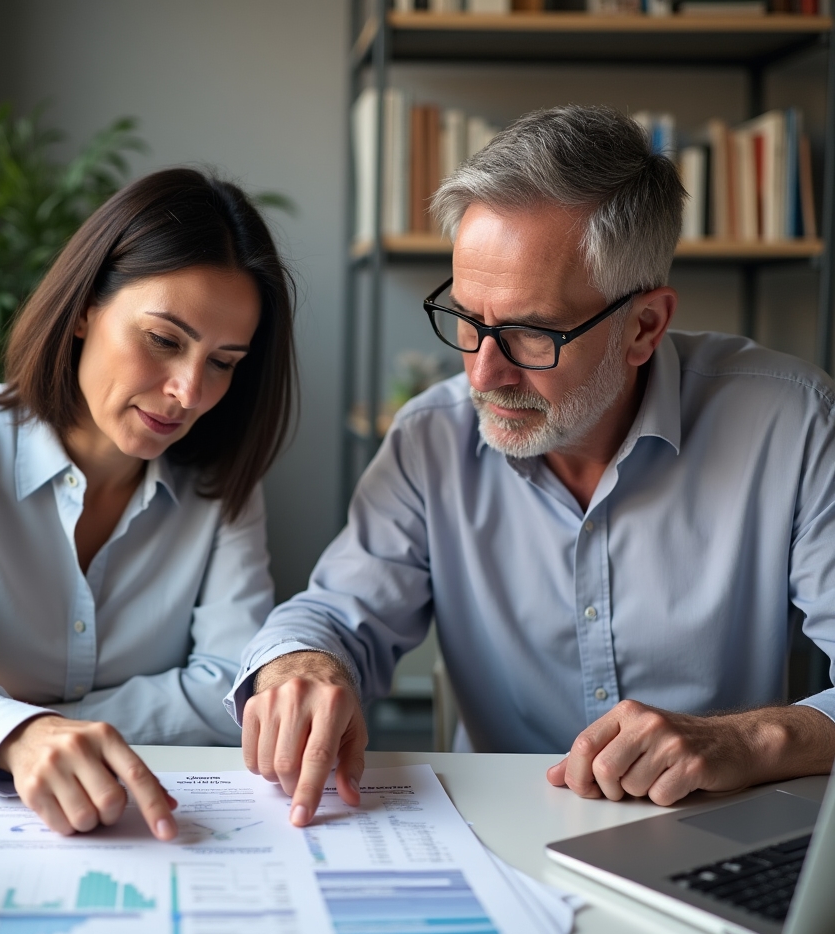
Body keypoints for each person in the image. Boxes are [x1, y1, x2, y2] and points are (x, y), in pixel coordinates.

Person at [231, 105, 835, 828]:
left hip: (716, 827)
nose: (483, 374)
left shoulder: (794, 422)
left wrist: (746, 739)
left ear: (644, 326)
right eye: (466, 317)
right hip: (499, 839)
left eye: (530, 333)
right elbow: (336, 615)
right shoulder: (433, 439)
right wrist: (303, 667)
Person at [0, 168, 296, 839]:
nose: (190, 391)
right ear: (84, 310)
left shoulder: (222, 482)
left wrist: (34, 723)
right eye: (164, 340)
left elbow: (231, 686)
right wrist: (17, 736)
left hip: (149, 820)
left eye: (223, 362)